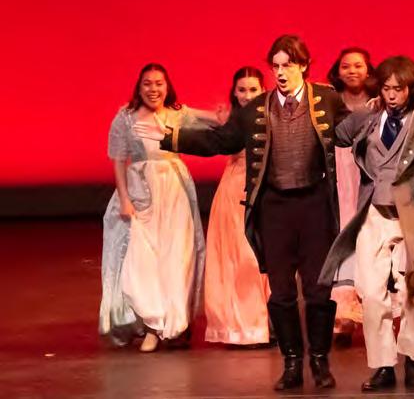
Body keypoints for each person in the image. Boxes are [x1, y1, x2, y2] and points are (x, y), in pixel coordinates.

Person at [136, 35, 351, 391]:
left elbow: (348, 132)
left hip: (314, 206)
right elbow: (221, 140)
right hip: (274, 208)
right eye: (275, 66)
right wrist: (172, 137)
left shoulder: (325, 98)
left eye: (288, 65)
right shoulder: (256, 109)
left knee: (317, 290)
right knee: (281, 291)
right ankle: (292, 363)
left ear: (303, 66)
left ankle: (319, 360)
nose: (280, 73)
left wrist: (378, 116)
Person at [320, 55, 414, 391]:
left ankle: (413, 364)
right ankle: (383, 366)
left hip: (411, 215)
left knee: (413, 293)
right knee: (372, 294)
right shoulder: (371, 117)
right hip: (373, 213)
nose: (391, 95)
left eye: (398, 89)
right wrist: (361, 108)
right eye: (386, 88)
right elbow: (340, 135)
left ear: (410, 89)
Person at [102, 63, 207, 353]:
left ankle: (173, 325)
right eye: (147, 83)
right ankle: (152, 325)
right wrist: (124, 198)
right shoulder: (125, 117)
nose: (153, 89)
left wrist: (229, 112)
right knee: (143, 260)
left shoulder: (176, 113)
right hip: (140, 192)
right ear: (139, 87)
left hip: (174, 192)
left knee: (177, 258)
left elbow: (213, 120)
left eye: (159, 83)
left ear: (167, 86)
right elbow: (118, 160)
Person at [203, 67, 272, 348]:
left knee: (267, 260)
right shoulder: (232, 120)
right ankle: (245, 327)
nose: (247, 95)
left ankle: (265, 322)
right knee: (243, 258)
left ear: (263, 90)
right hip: (236, 190)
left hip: (267, 188)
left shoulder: (274, 115)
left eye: (253, 89)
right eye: (242, 90)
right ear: (234, 92)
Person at [326, 47, 376, 347]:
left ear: (368, 70)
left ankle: (372, 315)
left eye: (358, 65)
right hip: (339, 172)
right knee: (342, 235)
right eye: (346, 66)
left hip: (369, 173)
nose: (352, 71)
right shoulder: (330, 101)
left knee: (369, 238)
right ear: (338, 70)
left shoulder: (379, 100)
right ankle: (342, 318)